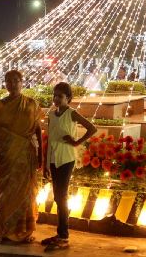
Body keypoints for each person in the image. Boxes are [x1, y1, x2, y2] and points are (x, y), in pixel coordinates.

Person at [0, 70, 44, 244]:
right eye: (8, 81)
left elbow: (38, 131)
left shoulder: (31, 104)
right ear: (5, 84)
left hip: (25, 157)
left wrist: (41, 154)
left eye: (15, 81)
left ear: (22, 82)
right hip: (5, 158)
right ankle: (3, 231)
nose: (12, 84)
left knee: (25, 194)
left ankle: (24, 231)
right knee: (4, 194)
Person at [41, 82, 97, 251]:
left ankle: (64, 236)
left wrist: (76, 142)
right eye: (55, 95)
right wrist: (45, 163)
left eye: (60, 96)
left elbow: (92, 128)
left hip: (66, 159)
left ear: (68, 99)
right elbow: (50, 140)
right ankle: (60, 234)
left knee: (61, 197)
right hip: (54, 159)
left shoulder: (72, 114)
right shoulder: (51, 114)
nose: (56, 99)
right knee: (58, 197)